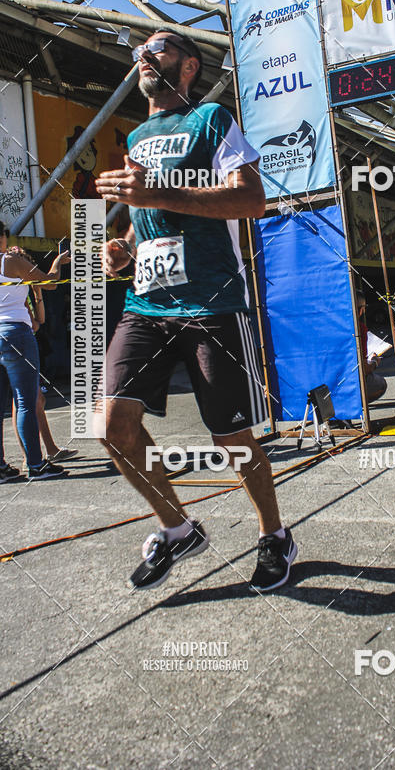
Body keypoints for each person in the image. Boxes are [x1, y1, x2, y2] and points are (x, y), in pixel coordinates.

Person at [95, 29, 296, 592]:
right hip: (146, 303)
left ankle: (274, 536)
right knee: (112, 427)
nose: (143, 56)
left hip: (212, 302)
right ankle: (178, 529)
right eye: (141, 51)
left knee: (231, 439)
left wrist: (160, 195)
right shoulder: (136, 134)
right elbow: (147, 213)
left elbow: (251, 199)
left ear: (188, 66)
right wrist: (125, 248)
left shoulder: (211, 119)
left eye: (156, 48)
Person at [0, 228, 70, 481]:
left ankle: (1, 468)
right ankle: (36, 464)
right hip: (15, 333)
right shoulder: (9, 260)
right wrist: (57, 262)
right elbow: (50, 282)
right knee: (26, 402)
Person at [357, 292, 387, 403]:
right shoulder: (359, 329)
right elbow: (364, 369)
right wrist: (375, 362)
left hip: (324, 386)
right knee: (381, 384)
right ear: (361, 309)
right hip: (349, 384)